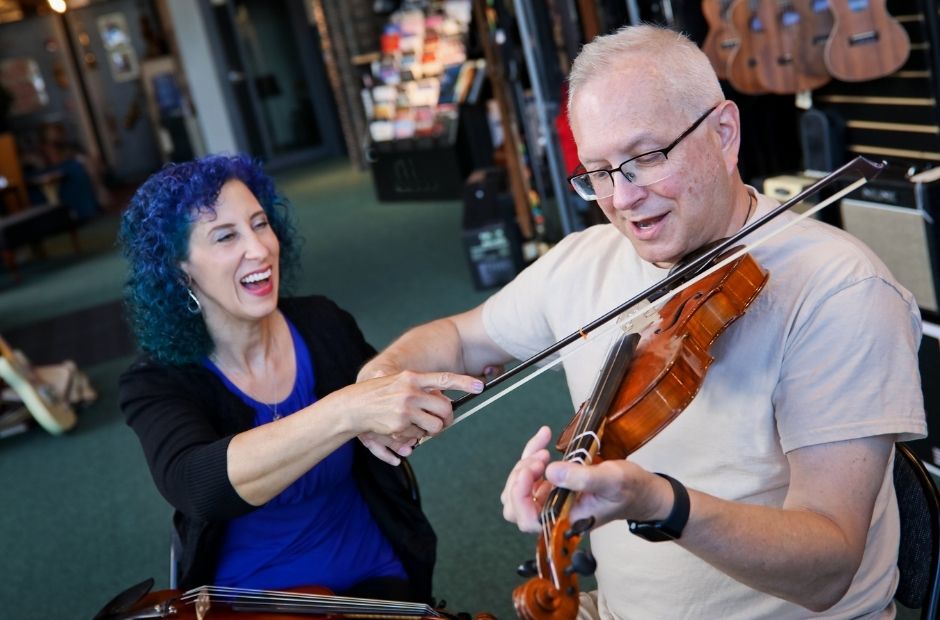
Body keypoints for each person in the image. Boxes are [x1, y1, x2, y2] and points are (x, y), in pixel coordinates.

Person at [357, 25, 927, 618]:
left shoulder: (839, 288)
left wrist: (661, 504)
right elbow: (456, 337)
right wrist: (380, 382)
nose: (620, 198)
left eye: (644, 158)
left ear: (724, 134)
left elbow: (828, 567)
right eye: (597, 172)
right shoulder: (583, 259)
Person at [118, 154, 481, 601]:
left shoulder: (322, 322)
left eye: (260, 223)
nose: (259, 248)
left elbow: (384, 416)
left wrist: (413, 408)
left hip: (372, 572)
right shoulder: (154, 382)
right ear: (180, 270)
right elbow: (198, 487)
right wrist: (345, 409)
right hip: (256, 600)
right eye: (226, 236)